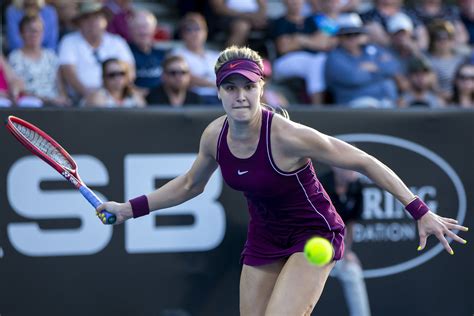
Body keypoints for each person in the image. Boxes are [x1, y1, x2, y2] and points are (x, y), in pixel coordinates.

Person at [97, 46, 468, 315]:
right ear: (219, 91)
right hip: (264, 238)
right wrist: (129, 209)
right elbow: (190, 184)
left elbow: (365, 160)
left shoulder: (289, 135)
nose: (240, 96)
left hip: (314, 234)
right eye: (230, 87)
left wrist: (419, 210)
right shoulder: (215, 135)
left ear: (261, 88)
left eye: (248, 87)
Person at [320, 166, 371, 316]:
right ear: (334, 167)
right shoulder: (319, 185)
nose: (352, 169)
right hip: (313, 246)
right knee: (304, 283)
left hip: (337, 247)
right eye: (347, 166)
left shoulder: (357, 186)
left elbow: (351, 223)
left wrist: (346, 252)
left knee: (353, 271)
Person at [58, 1, 134, 102]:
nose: (92, 22)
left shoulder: (117, 42)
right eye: (86, 18)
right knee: (97, 99)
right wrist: (88, 93)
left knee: (138, 100)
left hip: (117, 95)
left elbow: (130, 71)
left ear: (105, 21)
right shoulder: (69, 41)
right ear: (79, 23)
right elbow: (68, 72)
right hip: (81, 98)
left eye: (97, 17)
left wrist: (119, 94)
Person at [325, 14, 400, 108]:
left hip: (385, 101)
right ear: (340, 37)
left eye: (356, 34)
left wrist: (374, 68)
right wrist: (381, 73)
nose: (352, 38)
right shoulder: (334, 57)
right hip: (353, 104)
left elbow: (393, 66)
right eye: (348, 35)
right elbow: (353, 78)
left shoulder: (372, 48)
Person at [8, 14, 70, 107]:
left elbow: (60, 86)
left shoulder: (51, 56)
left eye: (38, 30)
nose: (35, 34)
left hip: (55, 106)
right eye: (30, 30)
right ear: (21, 33)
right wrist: (48, 100)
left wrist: (64, 99)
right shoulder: (15, 57)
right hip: (29, 107)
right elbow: (19, 92)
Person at [172, 12, 220, 104]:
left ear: (205, 32)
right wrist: (214, 84)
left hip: (220, 98)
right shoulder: (177, 54)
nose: (194, 33)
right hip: (194, 99)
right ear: (182, 34)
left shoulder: (216, 56)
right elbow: (185, 78)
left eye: (198, 28)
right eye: (189, 29)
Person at [127, 9, 167, 95]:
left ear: (154, 30)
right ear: (130, 30)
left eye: (145, 26)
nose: (142, 31)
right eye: (138, 27)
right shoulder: (124, 53)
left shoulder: (162, 54)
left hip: (162, 102)